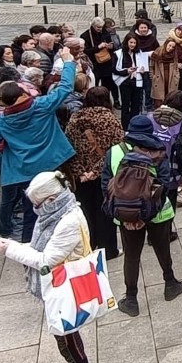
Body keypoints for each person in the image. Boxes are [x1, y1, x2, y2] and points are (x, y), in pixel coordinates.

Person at [0, 172, 96, 363]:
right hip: (60, 288)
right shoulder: (56, 214)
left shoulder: (67, 220)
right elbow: (43, 248)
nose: (35, 209)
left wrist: (12, 250)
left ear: (51, 199)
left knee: (70, 344)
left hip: (67, 289)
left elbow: (45, 260)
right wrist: (18, 246)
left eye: (37, 204)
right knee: (65, 341)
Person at [0, 47, 78, 243]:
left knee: (31, 213)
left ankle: (31, 248)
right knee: (61, 205)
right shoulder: (41, 106)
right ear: (22, 95)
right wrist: (68, 62)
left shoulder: (2, 121)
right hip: (52, 164)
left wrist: (6, 163)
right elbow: (66, 86)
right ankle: (62, 243)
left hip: (24, 171)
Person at [105, 116, 182, 317]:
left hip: (126, 215)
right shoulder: (158, 151)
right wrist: (147, 215)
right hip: (157, 215)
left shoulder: (114, 152)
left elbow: (106, 186)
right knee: (162, 248)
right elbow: (165, 186)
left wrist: (122, 215)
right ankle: (170, 283)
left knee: (132, 256)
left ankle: (131, 298)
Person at [64, 87, 124, 260]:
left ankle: (89, 246)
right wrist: (96, 171)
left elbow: (69, 147)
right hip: (103, 173)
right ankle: (109, 249)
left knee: (85, 211)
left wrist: (81, 172)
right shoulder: (110, 119)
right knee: (105, 210)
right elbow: (116, 147)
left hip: (80, 175)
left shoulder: (75, 119)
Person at [114, 34, 151, 124]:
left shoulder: (139, 53)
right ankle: (125, 126)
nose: (133, 45)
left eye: (134, 42)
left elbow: (143, 66)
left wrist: (142, 70)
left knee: (136, 105)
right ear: (127, 42)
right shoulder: (119, 54)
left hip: (137, 81)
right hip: (125, 82)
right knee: (125, 105)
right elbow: (114, 70)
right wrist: (127, 71)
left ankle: (134, 124)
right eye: (131, 42)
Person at [153, 23, 182, 104]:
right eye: (179, 30)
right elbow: (167, 55)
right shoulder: (171, 40)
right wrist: (177, 63)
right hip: (174, 68)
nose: (180, 32)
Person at [82, 17, 119, 97]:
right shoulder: (86, 35)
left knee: (108, 84)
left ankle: (107, 99)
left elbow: (111, 44)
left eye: (101, 27)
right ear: (93, 26)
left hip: (106, 62)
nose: (100, 29)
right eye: (98, 27)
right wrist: (98, 47)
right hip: (94, 63)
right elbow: (85, 51)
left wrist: (110, 46)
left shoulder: (105, 32)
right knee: (94, 84)